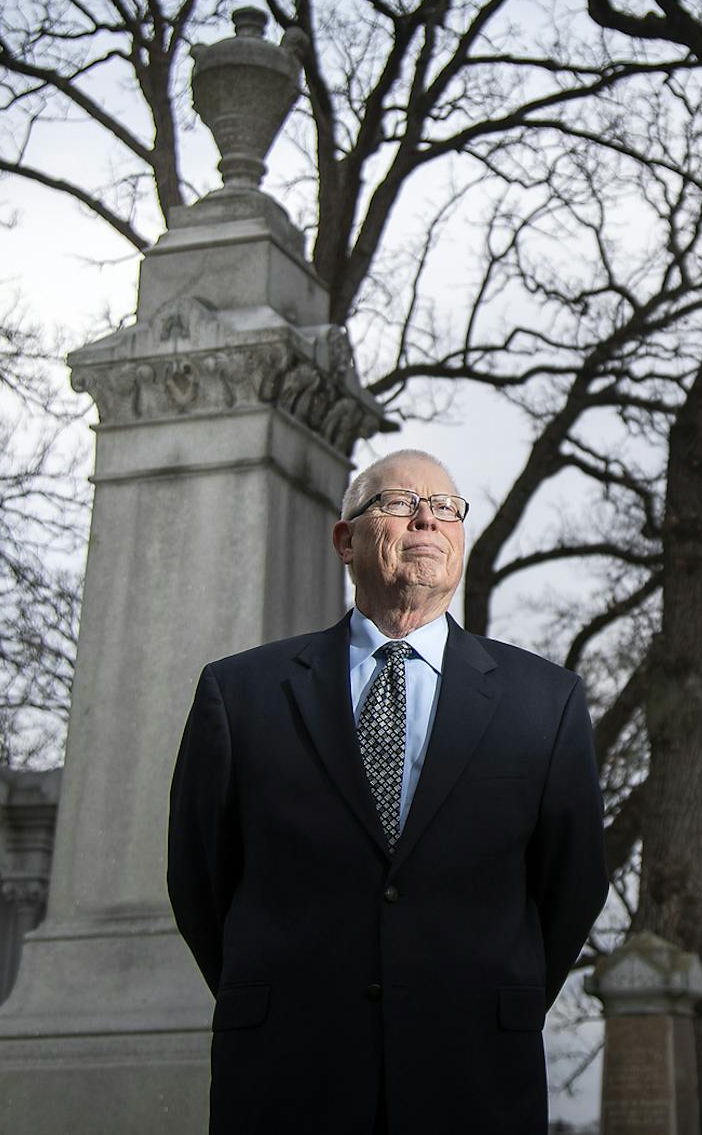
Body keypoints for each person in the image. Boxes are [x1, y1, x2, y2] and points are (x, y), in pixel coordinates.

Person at [167, 449, 610, 1134]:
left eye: (446, 508)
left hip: (473, 1073)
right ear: (345, 540)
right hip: (286, 1071)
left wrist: (491, 991)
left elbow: (571, 885)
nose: (426, 519)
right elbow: (201, 878)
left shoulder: (545, 703)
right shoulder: (241, 692)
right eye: (399, 504)